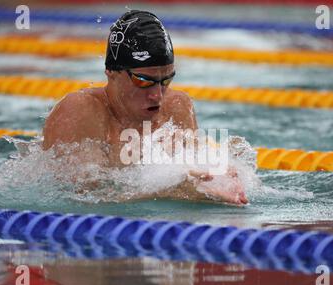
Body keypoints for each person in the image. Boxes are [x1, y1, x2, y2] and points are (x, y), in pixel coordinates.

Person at [42, 10, 248, 205]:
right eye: (143, 81)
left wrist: (216, 181)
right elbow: (83, 199)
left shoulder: (177, 107)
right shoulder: (81, 112)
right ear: (111, 72)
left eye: (166, 81)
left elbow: (193, 174)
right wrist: (174, 190)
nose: (157, 95)